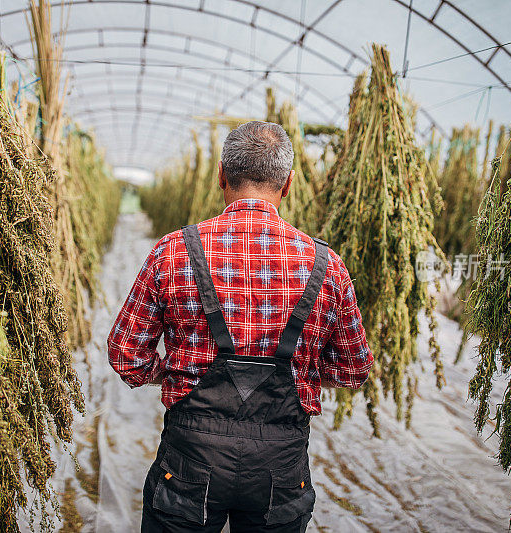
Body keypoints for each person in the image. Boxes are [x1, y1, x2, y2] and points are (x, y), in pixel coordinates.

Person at [108, 121, 372, 532]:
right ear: (288, 185)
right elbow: (353, 369)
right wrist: (302, 372)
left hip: (191, 460)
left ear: (221, 175)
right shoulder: (328, 266)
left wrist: (173, 372)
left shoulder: (174, 250)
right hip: (280, 470)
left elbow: (126, 353)